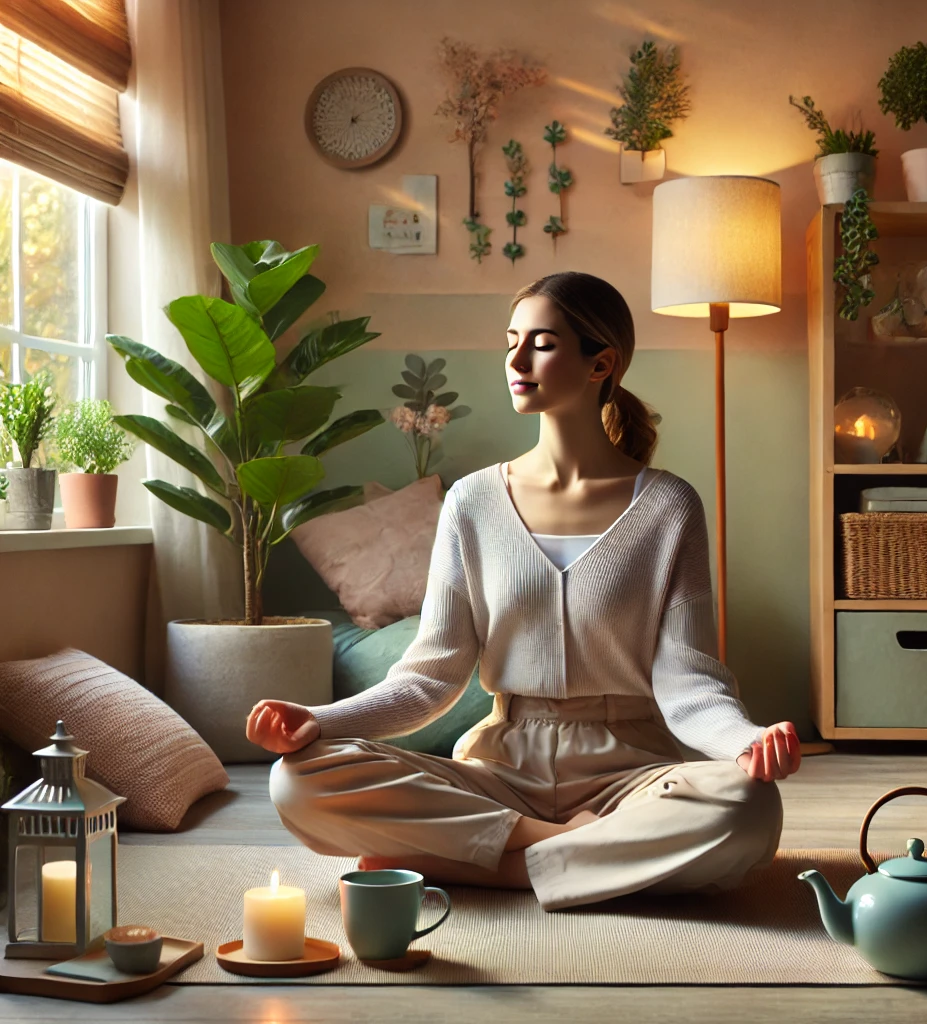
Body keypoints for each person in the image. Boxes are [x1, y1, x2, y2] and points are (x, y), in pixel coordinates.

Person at [247, 271, 801, 912]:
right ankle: (561, 848)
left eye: (541, 343)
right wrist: (320, 721)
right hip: (500, 772)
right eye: (512, 340)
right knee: (297, 781)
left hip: (632, 775)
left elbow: (689, 686)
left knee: (748, 804)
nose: (514, 359)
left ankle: (492, 867)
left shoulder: (669, 506)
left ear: (602, 363)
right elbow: (429, 679)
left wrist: (745, 742)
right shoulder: (472, 502)